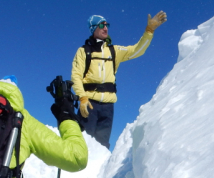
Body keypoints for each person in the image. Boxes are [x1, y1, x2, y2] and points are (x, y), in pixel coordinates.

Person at [71, 11, 167, 148]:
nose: (106, 28)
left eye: (107, 25)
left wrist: (149, 30)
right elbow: (76, 76)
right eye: (101, 25)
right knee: (82, 144)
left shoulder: (114, 51)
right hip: (89, 104)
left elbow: (137, 50)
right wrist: (82, 98)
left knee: (101, 147)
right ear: (93, 28)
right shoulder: (83, 51)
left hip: (108, 107)